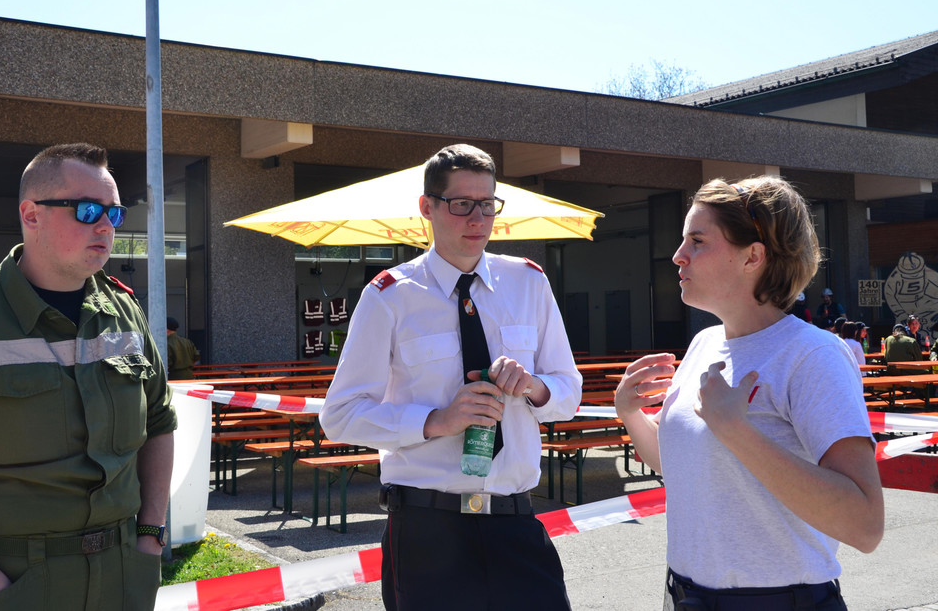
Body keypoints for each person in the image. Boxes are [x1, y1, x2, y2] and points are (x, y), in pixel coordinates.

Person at [320, 144, 582, 611]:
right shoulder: (389, 296)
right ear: (427, 207)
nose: (478, 219)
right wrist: (435, 421)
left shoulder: (529, 283)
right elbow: (340, 416)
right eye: (461, 204)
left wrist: (533, 386)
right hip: (427, 532)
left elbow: (568, 392)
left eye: (487, 204)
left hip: (514, 522)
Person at [0, 143, 177, 610]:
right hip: (8, 583)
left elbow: (158, 421)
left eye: (115, 213)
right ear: (31, 215)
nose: (106, 226)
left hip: (122, 578)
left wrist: (151, 535)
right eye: (88, 210)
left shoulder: (124, 311)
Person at [614, 176, 883, 610]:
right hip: (684, 596)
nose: (678, 255)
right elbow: (680, 463)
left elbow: (865, 526)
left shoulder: (813, 355)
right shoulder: (704, 344)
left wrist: (736, 431)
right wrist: (630, 414)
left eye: (697, 241)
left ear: (753, 256)